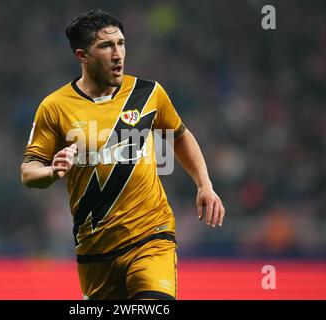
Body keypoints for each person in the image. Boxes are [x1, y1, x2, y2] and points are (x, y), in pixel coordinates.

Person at [20, 9, 225, 300]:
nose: (118, 53)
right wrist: (52, 171)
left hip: (151, 237)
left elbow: (180, 136)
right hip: (95, 252)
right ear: (83, 55)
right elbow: (29, 173)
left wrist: (204, 183)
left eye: (121, 43)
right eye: (106, 46)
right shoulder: (54, 107)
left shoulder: (148, 93)